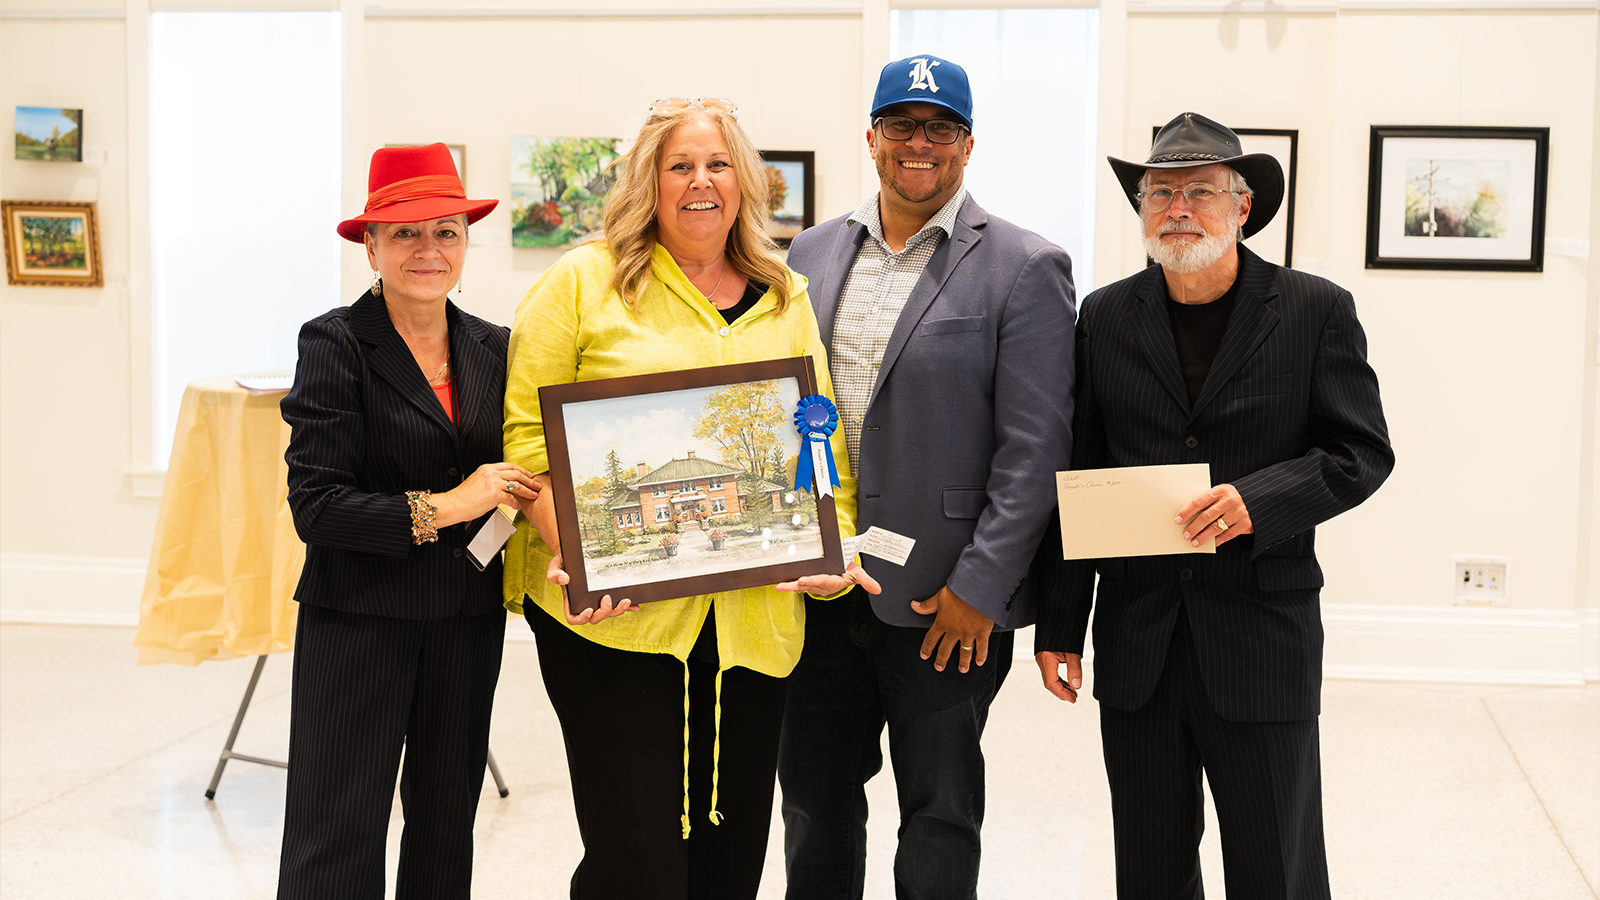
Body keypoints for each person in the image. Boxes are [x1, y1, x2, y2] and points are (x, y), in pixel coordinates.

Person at [502, 97, 878, 900]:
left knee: (730, 856)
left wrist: (832, 539)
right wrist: (574, 547)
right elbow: (528, 444)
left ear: (745, 182)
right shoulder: (582, 281)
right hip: (617, 626)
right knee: (633, 861)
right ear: (650, 180)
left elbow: (817, 431)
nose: (700, 182)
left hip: (755, 625)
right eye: (680, 165)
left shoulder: (784, 294)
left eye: (717, 165)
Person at [1031, 111, 1395, 900]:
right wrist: (1061, 625)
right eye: (1160, 192)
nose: (1178, 208)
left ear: (1243, 207)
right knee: (1152, 870)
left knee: (1277, 869)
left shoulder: (1313, 309)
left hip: (1262, 639)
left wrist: (1258, 500)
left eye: (1201, 190)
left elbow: (1362, 453)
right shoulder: (1103, 317)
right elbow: (1079, 472)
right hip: (1140, 644)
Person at [778, 55, 1077, 899]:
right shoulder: (808, 251)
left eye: (940, 128)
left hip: (945, 600)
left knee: (941, 814)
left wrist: (981, 588)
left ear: (968, 144)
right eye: (902, 126)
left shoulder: (1025, 265)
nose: (920, 144)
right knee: (812, 805)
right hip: (821, 589)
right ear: (870, 138)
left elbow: (1035, 452)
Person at [277, 143, 539, 899]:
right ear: (371, 245)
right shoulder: (334, 343)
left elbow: (525, 472)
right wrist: (454, 504)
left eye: (447, 231)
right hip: (358, 617)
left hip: (464, 615)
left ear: (466, 242)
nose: (430, 249)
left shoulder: (497, 347)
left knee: (445, 820)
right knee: (337, 828)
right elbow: (316, 507)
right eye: (406, 232)